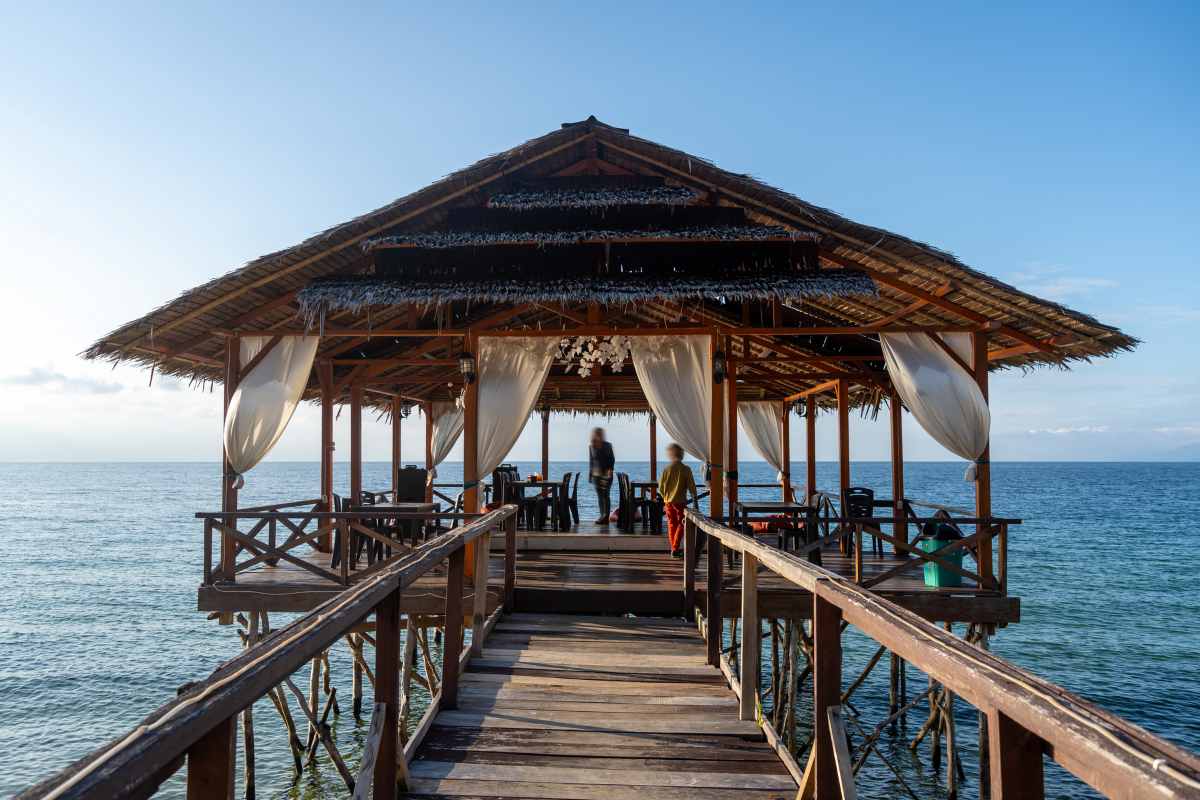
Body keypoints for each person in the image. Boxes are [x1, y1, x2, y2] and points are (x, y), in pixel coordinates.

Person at [658, 443, 697, 557]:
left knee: (671, 525)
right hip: (680, 502)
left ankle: (674, 548)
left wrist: (665, 498)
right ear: (682, 455)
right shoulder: (685, 469)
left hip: (668, 503)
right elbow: (692, 487)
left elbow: (660, 488)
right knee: (681, 524)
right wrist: (695, 501)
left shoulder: (667, 469)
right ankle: (675, 548)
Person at [588, 427, 615, 525]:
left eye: (599, 433)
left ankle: (606, 517)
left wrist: (610, 470)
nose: (598, 435)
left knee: (606, 496)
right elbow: (591, 461)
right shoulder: (591, 446)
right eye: (596, 433)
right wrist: (590, 475)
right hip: (596, 475)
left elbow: (612, 459)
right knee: (600, 497)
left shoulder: (607, 445)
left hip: (607, 474)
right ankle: (602, 516)